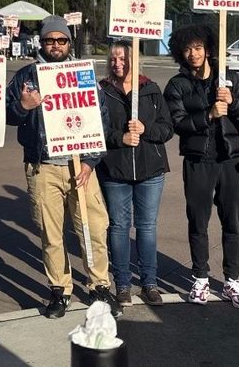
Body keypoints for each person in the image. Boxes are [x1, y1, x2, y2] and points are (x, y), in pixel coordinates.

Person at [5, 16, 122, 319]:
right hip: (42, 166)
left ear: (69, 43)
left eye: (61, 40)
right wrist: (24, 106)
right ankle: (60, 289)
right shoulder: (26, 77)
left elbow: (101, 119)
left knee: (93, 228)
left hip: (80, 168)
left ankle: (99, 286)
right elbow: (5, 114)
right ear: (41, 43)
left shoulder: (83, 75)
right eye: (49, 40)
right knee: (50, 233)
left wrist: (90, 160)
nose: (55, 45)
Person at [163, 24, 239, 309]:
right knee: (198, 221)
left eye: (198, 47)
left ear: (209, 49)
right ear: (180, 52)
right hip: (198, 161)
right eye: (188, 49)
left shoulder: (231, 79)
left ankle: (232, 281)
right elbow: (178, 124)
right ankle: (200, 278)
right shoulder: (177, 85)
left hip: (231, 160)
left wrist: (234, 103)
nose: (193, 53)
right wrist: (209, 114)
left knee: (232, 222)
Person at [97, 40, 174, 307]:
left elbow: (167, 128)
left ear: (135, 60)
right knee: (118, 227)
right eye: (114, 59)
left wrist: (145, 129)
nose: (118, 64)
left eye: (123, 59)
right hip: (115, 171)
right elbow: (95, 132)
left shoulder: (150, 90)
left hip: (150, 170)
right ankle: (122, 284)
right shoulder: (102, 91)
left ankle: (149, 283)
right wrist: (120, 137)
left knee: (147, 227)